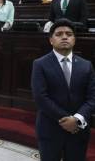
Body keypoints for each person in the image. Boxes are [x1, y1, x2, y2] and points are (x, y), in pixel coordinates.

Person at [31, 18, 95, 161]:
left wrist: (77, 119)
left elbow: (92, 98)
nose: (65, 37)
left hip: (78, 131)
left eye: (69, 34)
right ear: (51, 40)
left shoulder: (86, 66)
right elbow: (40, 97)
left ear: (74, 39)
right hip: (50, 129)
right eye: (59, 34)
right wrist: (66, 120)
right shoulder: (40, 64)